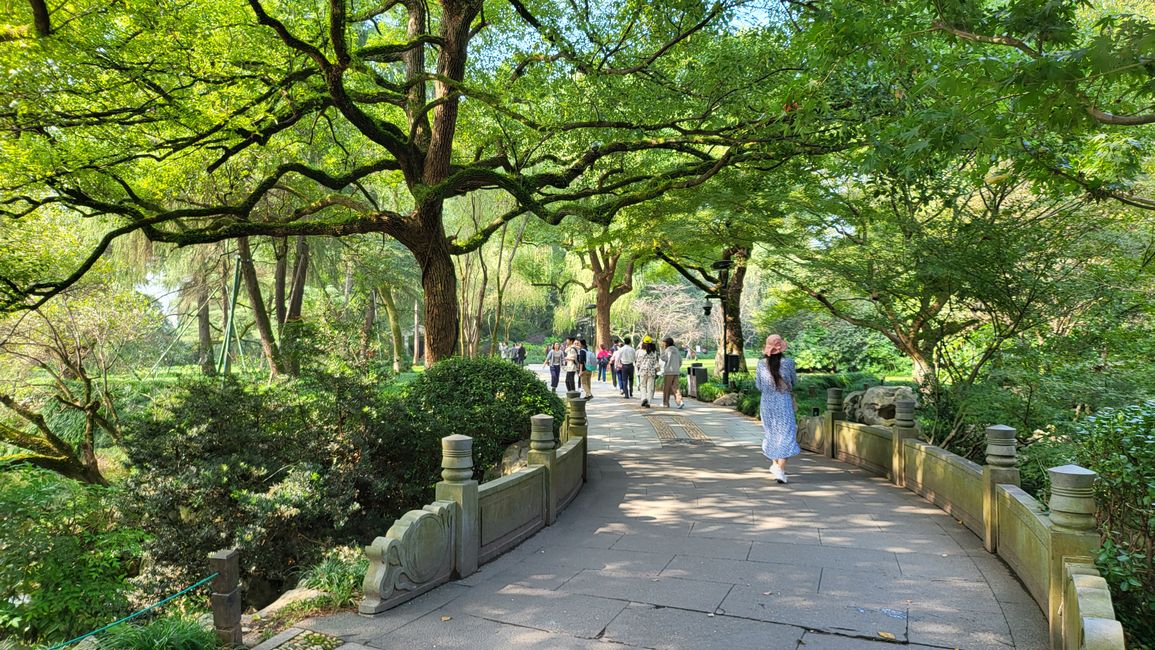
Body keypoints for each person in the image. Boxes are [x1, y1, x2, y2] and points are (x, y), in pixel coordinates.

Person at [756, 334, 800, 484]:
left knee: (772, 433)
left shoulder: (761, 364)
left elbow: (759, 385)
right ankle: (780, 469)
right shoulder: (788, 363)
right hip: (783, 401)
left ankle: (776, 465)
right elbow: (793, 382)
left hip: (767, 403)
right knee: (787, 434)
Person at [660, 337, 685, 408]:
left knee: (666, 388)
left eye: (664, 343)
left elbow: (663, 358)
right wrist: (677, 367)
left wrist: (662, 350)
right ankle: (680, 402)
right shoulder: (676, 350)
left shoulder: (667, 350)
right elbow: (680, 360)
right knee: (675, 387)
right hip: (676, 371)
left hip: (668, 372)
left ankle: (666, 403)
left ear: (667, 343)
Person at [635, 336, 660, 407]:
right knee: (650, 388)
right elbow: (656, 363)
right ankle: (648, 402)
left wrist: (638, 368)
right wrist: (658, 370)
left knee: (642, 386)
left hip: (643, 371)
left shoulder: (640, 352)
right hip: (651, 372)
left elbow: (638, 363)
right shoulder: (654, 352)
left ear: (643, 343)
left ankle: (644, 398)